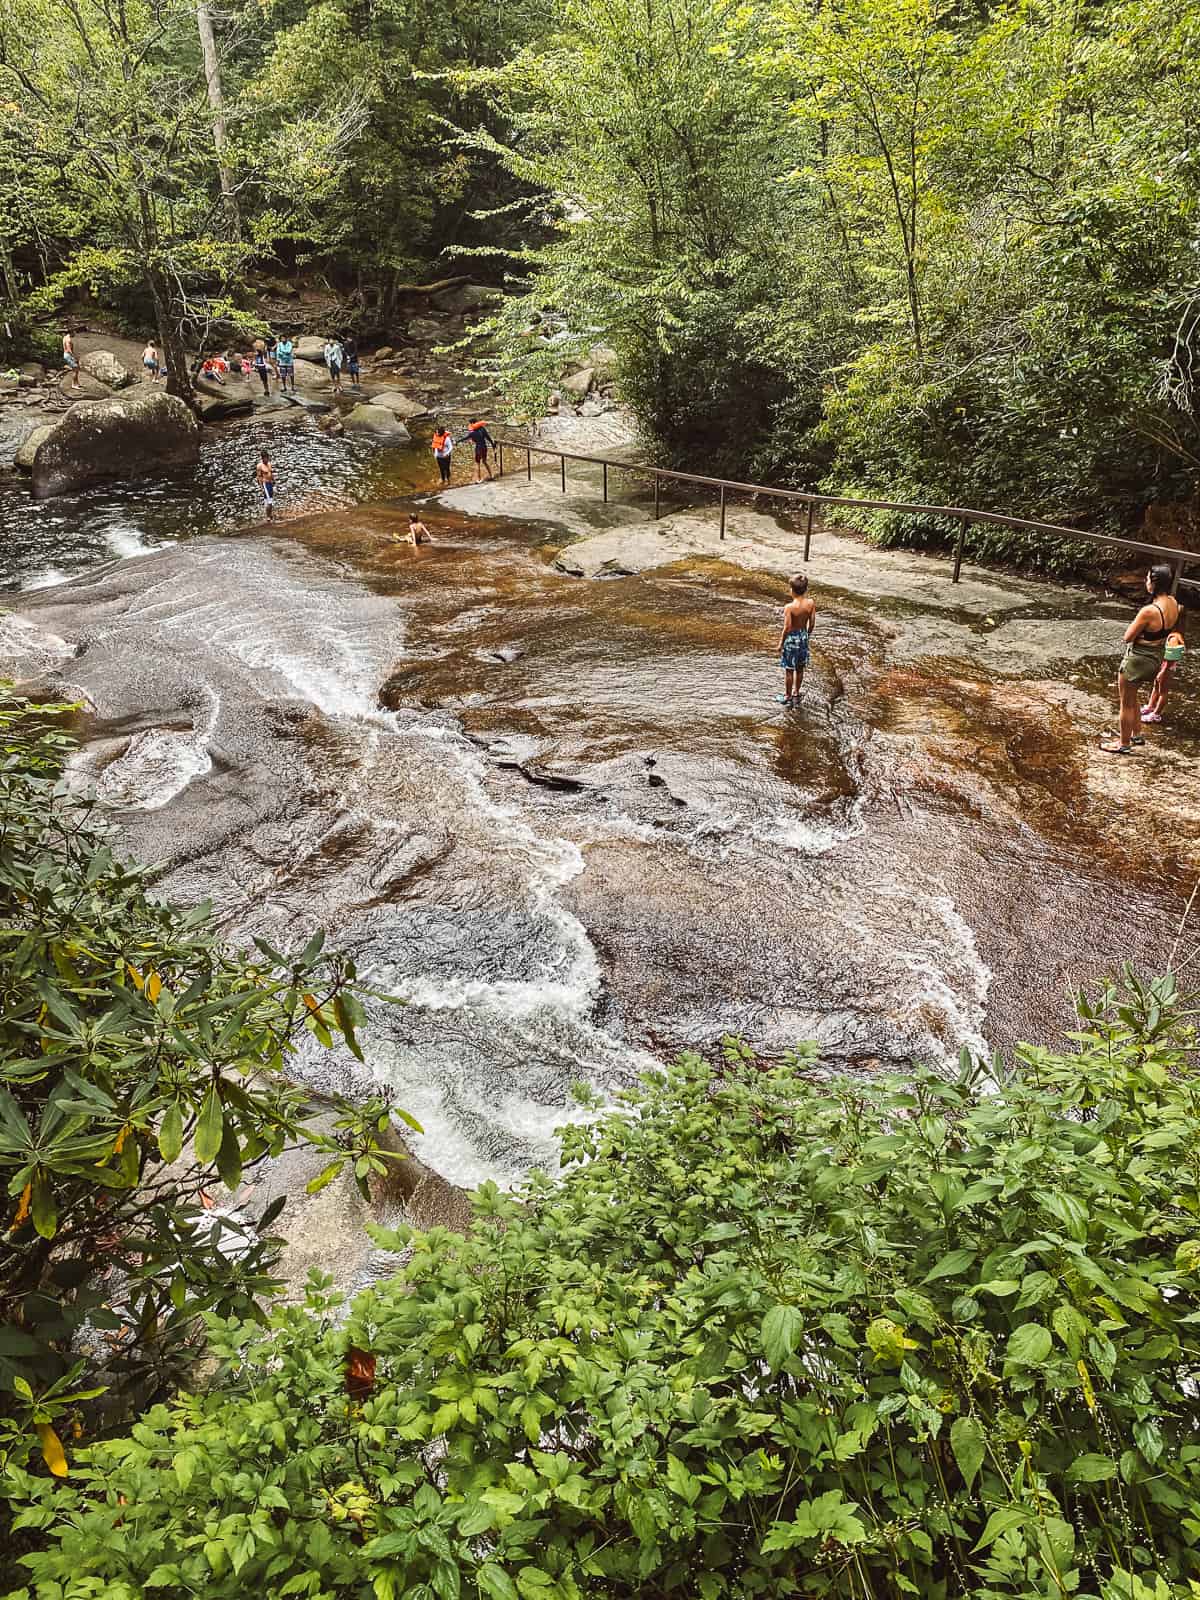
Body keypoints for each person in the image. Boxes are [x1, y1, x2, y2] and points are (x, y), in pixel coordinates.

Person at [1100, 563, 1183, 755]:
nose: (1146, 582)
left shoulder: (1149, 611)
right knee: (1133, 696)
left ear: (1154, 583)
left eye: (1147, 579)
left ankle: (1123, 743)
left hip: (1137, 660)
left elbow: (1127, 637)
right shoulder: (1173, 603)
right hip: (1155, 658)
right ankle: (1136, 734)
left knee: (1126, 703)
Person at [776, 572, 816, 706]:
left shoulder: (789, 607)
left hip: (792, 639)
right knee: (800, 668)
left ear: (792, 591)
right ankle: (796, 692)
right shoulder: (810, 603)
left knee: (789, 669)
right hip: (803, 637)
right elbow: (812, 622)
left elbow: (787, 627)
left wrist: (781, 643)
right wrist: (807, 634)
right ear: (805, 590)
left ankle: (787, 695)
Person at [1141, 628, 1186, 725]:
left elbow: (1172, 658)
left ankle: (1156, 714)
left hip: (1167, 669)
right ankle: (1150, 706)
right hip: (1162, 666)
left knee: (1163, 691)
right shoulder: (1169, 634)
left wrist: (1164, 671)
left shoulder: (1174, 638)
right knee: (1156, 686)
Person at [463, 417, 495, 482]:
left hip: (478, 448)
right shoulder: (482, 429)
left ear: (472, 423)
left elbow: (465, 438)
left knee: (478, 463)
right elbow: (488, 438)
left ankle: (478, 479)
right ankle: (491, 475)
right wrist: (492, 445)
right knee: (484, 461)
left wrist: (457, 441)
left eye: (470, 423)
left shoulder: (472, 433)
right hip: (484, 447)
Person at [256, 450, 276, 520]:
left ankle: (270, 515)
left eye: (268, 458)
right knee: (269, 502)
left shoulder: (269, 464)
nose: (267, 459)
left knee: (271, 500)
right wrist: (262, 488)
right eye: (265, 458)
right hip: (265, 484)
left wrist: (273, 480)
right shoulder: (259, 466)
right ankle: (268, 517)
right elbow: (259, 477)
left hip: (270, 484)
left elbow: (271, 473)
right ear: (262, 458)